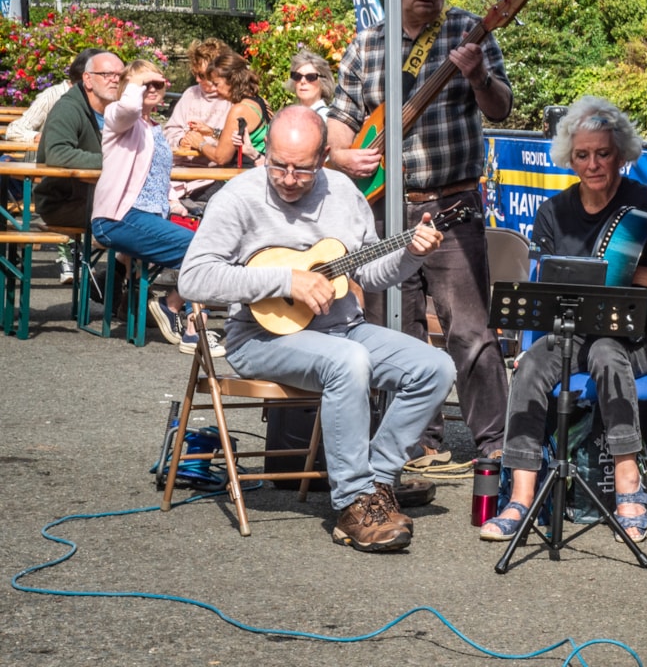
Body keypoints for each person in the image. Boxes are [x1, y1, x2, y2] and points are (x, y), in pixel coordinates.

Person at [177, 106, 457, 553]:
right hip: (262, 338)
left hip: (343, 329)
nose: (288, 178)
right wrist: (287, 281)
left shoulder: (344, 192)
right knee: (348, 362)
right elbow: (193, 279)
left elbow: (370, 274)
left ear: (324, 157)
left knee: (435, 368)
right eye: (278, 165)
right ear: (267, 152)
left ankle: (377, 483)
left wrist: (412, 255)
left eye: (303, 169)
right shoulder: (238, 197)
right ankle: (352, 504)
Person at [479, 96, 647, 543]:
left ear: (621, 154)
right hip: (573, 334)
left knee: (606, 352)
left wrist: (634, 275)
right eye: (582, 155)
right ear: (570, 158)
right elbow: (545, 288)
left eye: (603, 153)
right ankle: (520, 498)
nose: (593, 164)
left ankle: (628, 489)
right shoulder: (553, 213)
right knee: (532, 364)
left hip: (644, 338)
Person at [326, 0, 513, 463]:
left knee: (471, 331)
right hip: (385, 210)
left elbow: (501, 107)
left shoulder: (470, 33)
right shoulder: (368, 43)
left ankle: (496, 448)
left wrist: (478, 77)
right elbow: (341, 117)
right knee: (395, 329)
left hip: (452, 204)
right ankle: (414, 442)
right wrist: (341, 156)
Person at [90, 60, 215, 353]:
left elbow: (154, 173)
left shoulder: (154, 127)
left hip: (147, 218)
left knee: (214, 244)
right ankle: (192, 328)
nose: (153, 88)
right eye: (146, 84)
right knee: (198, 249)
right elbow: (128, 108)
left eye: (158, 84)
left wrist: (172, 201)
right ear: (130, 87)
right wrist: (138, 81)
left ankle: (171, 307)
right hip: (118, 217)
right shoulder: (118, 117)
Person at [4, 48, 102, 284]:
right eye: (105, 75)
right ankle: (71, 256)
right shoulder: (54, 96)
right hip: (43, 175)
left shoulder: (103, 104)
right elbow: (14, 130)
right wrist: (41, 138)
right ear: (86, 78)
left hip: (83, 178)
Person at [34, 50, 125, 233]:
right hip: (63, 203)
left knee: (152, 211)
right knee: (136, 217)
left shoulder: (121, 112)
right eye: (107, 74)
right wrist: (113, 161)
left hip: (102, 196)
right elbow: (58, 154)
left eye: (121, 75)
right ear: (88, 80)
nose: (115, 80)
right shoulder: (68, 108)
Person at [178, 51, 270, 167]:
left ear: (232, 81)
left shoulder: (239, 110)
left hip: (243, 174)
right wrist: (212, 132)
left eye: (216, 84)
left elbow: (221, 158)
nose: (214, 89)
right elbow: (241, 141)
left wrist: (199, 143)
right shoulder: (259, 101)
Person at [162, 38, 233, 154]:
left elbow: (237, 141)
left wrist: (209, 136)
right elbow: (170, 130)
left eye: (202, 75)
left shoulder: (232, 99)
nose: (197, 80)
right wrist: (181, 140)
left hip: (215, 162)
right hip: (184, 161)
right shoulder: (190, 94)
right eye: (195, 73)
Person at [286, 49, 335, 118]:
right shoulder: (290, 116)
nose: (302, 81)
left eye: (310, 77)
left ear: (324, 82)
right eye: (298, 76)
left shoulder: (327, 118)